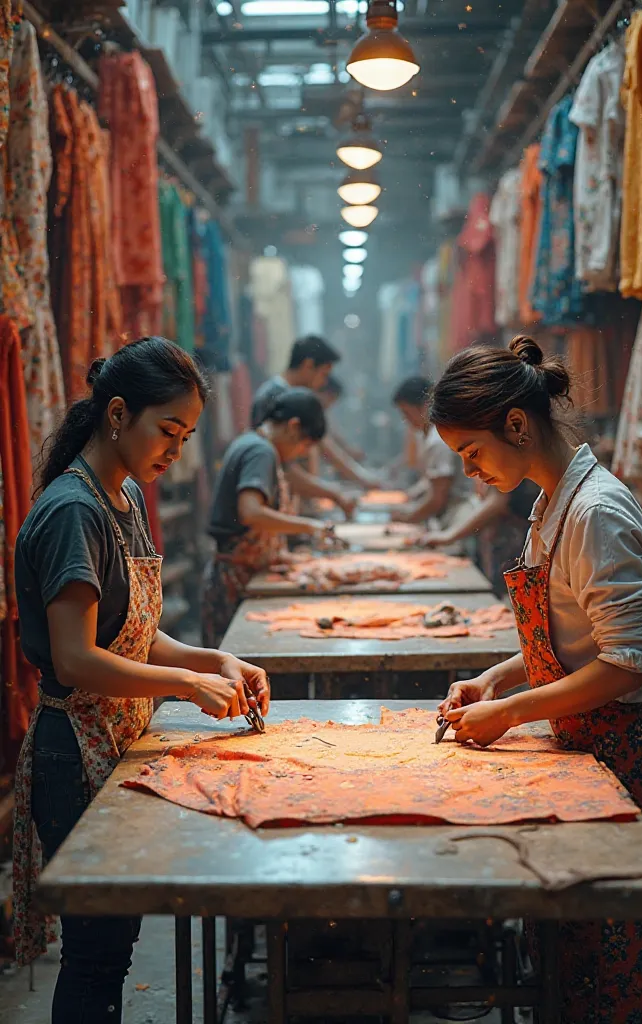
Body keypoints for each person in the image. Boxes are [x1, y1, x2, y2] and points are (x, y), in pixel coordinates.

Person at [12, 337, 270, 1024]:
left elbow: (129, 632)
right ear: (118, 414)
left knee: (112, 949)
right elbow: (76, 660)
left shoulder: (120, 495)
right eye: (168, 432)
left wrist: (211, 660)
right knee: (96, 958)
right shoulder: (76, 511)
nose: (174, 453)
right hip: (77, 750)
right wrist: (183, 688)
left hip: (115, 740)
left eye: (185, 438)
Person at [430, 335, 642, 1024]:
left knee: (608, 981)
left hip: (618, 762)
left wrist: (510, 715)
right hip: (576, 754)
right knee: (565, 971)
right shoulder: (550, 506)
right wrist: (496, 680)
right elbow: (569, 641)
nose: (472, 473)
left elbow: (626, 662)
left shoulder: (596, 512)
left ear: (516, 424)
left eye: (473, 454)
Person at [202, 387, 334, 648]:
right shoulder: (261, 451)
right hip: (237, 579)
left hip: (240, 573)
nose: (301, 454)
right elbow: (251, 512)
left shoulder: (252, 443)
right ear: (293, 427)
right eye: (305, 446)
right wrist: (310, 527)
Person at [251, 336, 377, 514]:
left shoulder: (296, 396)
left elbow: (323, 444)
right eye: (324, 374)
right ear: (308, 365)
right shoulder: (274, 396)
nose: (324, 382)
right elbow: (283, 468)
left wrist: (359, 479)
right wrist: (335, 492)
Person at [422, 477, 539, 594]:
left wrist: (449, 536)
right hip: (504, 534)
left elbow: (497, 501)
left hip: (517, 535)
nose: (468, 472)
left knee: (513, 593)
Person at [391, 375, 466, 524]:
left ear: (424, 406)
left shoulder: (438, 440)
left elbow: (437, 498)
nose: (406, 420)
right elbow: (430, 482)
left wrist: (406, 519)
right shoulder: (426, 436)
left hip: (458, 515)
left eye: (407, 413)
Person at [317, 375, 365, 462]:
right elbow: (325, 445)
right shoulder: (312, 411)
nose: (331, 404)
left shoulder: (324, 413)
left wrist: (349, 450)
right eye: (331, 398)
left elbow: (335, 434)